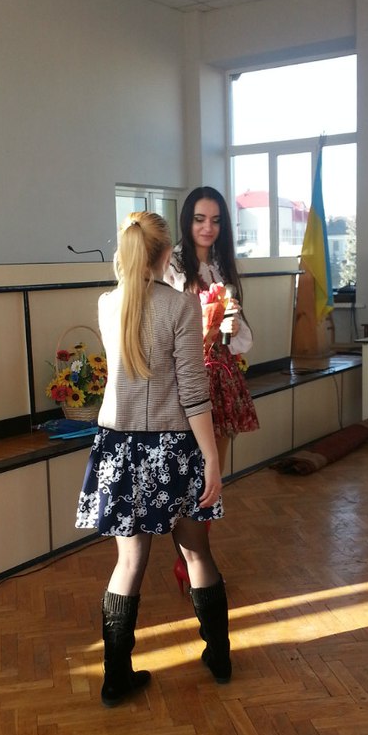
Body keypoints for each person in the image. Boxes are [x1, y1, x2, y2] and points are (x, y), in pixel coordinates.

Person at [76, 212, 232, 707]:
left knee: (129, 562)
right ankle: (220, 657)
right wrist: (212, 458)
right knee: (196, 553)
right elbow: (193, 393)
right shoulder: (180, 306)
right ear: (167, 254)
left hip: (118, 447)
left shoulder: (107, 304)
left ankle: (114, 678)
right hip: (172, 447)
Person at [164, 187, 259, 592]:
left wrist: (232, 327)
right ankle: (190, 560)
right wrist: (203, 319)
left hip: (222, 377)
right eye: (200, 219)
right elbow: (166, 327)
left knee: (213, 480)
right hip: (186, 379)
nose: (208, 227)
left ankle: (194, 562)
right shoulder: (172, 265)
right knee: (191, 476)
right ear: (187, 220)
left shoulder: (222, 266)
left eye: (216, 220)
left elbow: (241, 339)